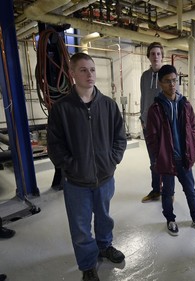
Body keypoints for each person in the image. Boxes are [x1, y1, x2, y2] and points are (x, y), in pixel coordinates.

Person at [47, 53, 127, 281]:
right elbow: (54, 145)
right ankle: (87, 264)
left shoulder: (109, 106)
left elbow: (119, 138)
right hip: (76, 182)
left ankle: (104, 246)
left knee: (104, 219)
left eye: (92, 69)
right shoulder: (61, 109)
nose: (89, 74)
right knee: (81, 228)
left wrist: (112, 160)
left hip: (104, 177)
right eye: (83, 70)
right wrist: (70, 166)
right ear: (72, 74)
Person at [145, 64, 195, 236]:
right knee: (168, 191)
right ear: (160, 83)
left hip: (184, 157)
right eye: (167, 81)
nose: (172, 85)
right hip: (167, 158)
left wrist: (192, 150)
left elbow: (192, 129)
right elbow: (151, 138)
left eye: (174, 80)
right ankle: (170, 219)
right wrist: (158, 157)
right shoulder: (155, 109)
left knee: (190, 189)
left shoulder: (185, 105)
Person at [140, 42, 164, 203]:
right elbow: (143, 97)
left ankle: (168, 191)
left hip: (164, 126)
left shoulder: (168, 74)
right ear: (148, 56)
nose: (155, 57)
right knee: (153, 161)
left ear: (162, 56)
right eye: (152, 54)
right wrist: (142, 117)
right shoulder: (144, 76)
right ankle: (156, 190)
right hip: (148, 125)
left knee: (167, 161)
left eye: (158, 54)